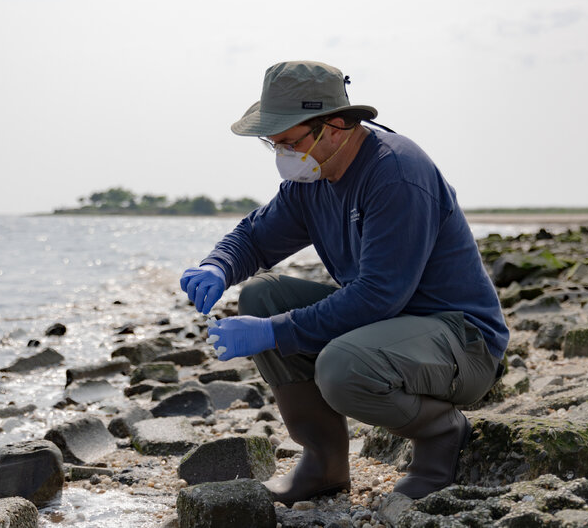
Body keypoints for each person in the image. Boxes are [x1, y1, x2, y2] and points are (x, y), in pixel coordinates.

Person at [179, 60, 508, 504]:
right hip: (392, 327)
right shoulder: (312, 177)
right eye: (273, 144)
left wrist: (275, 332)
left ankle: (440, 433)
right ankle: (324, 463)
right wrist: (217, 266)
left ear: (335, 127)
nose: (282, 154)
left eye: (290, 142)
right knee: (262, 295)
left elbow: (379, 295)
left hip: (461, 342)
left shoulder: (396, 173)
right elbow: (255, 237)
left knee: (341, 367)